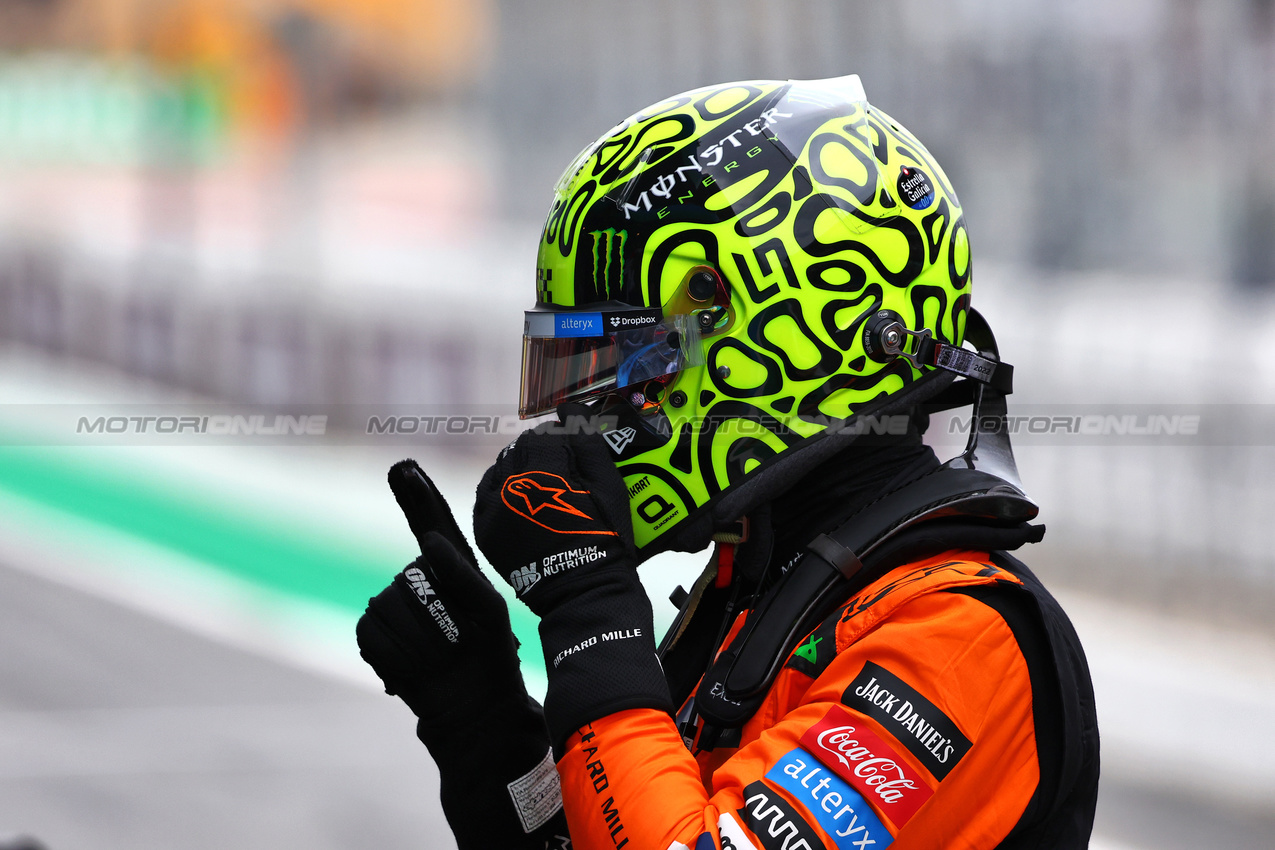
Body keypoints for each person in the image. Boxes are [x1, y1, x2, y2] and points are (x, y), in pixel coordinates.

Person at [357, 75, 1100, 850]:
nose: (596, 408)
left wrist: (591, 612)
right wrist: (482, 723)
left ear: (793, 336)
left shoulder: (958, 639)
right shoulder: (757, 588)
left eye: (634, 362)